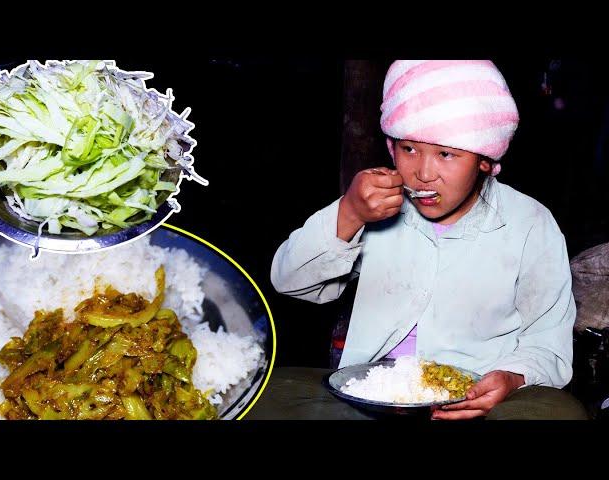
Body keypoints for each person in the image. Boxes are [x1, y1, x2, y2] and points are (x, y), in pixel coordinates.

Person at [252, 60, 588, 420]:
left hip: (473, 401)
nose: (424, 174)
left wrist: (511, 377)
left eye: (446, 153)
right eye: (409, 148)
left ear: (485, 161)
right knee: (255, 395)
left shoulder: (530, 223)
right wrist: (349, 213)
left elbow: (548, 342)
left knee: (561, 412)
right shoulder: (374, 202)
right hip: (369, 392)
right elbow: (290, 283)